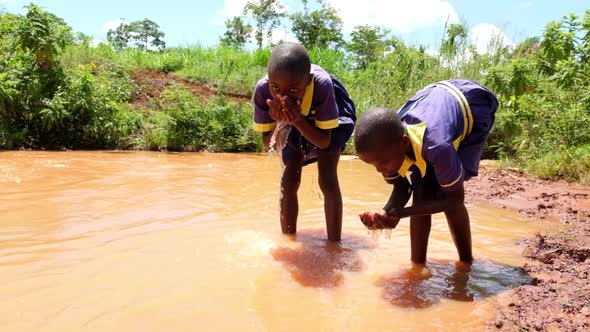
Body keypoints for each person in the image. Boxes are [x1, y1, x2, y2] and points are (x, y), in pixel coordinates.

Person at [354, 79, 498, 264]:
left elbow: (455, 199)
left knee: (445, 190)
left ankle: (466, 263)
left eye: (382, 163)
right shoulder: (387, 145)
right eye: (373, 165)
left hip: (472, 104)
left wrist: (402, 213)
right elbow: (401, 187)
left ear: (404, 143)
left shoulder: (438, 146)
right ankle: (417, 266)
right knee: (421, 191)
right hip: (430, 101)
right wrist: (385, 213)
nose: (380, 170)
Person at [252, 42, 356, 241]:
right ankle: (289, 240)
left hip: (330, 117)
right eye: (276, 88)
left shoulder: (322, 85)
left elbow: (325, 142)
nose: (282, 96)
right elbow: (269, 145)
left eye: (293, 90)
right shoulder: (263, 91)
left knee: (327, 179)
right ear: (269, 81)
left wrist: (298, 120)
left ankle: (334, 245)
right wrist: (277, 120)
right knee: (289, 180)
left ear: (307, 81)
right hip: (296, 119)